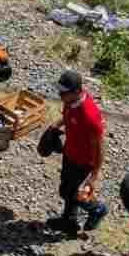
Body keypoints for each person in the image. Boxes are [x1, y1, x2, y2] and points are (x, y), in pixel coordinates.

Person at [46, 70, 108, 235]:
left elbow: (100, 146)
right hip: (70, 153)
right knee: (66, 189)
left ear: (75, 91)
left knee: (74, 193)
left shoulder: (89, 115)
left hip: (83, 161)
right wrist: (55, 126)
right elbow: (66, 116)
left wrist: (94, 174)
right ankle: (69, 221)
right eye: (59, 91)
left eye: (63, 92)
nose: (59, 95)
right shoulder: (70, 100)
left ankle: (97, 209)